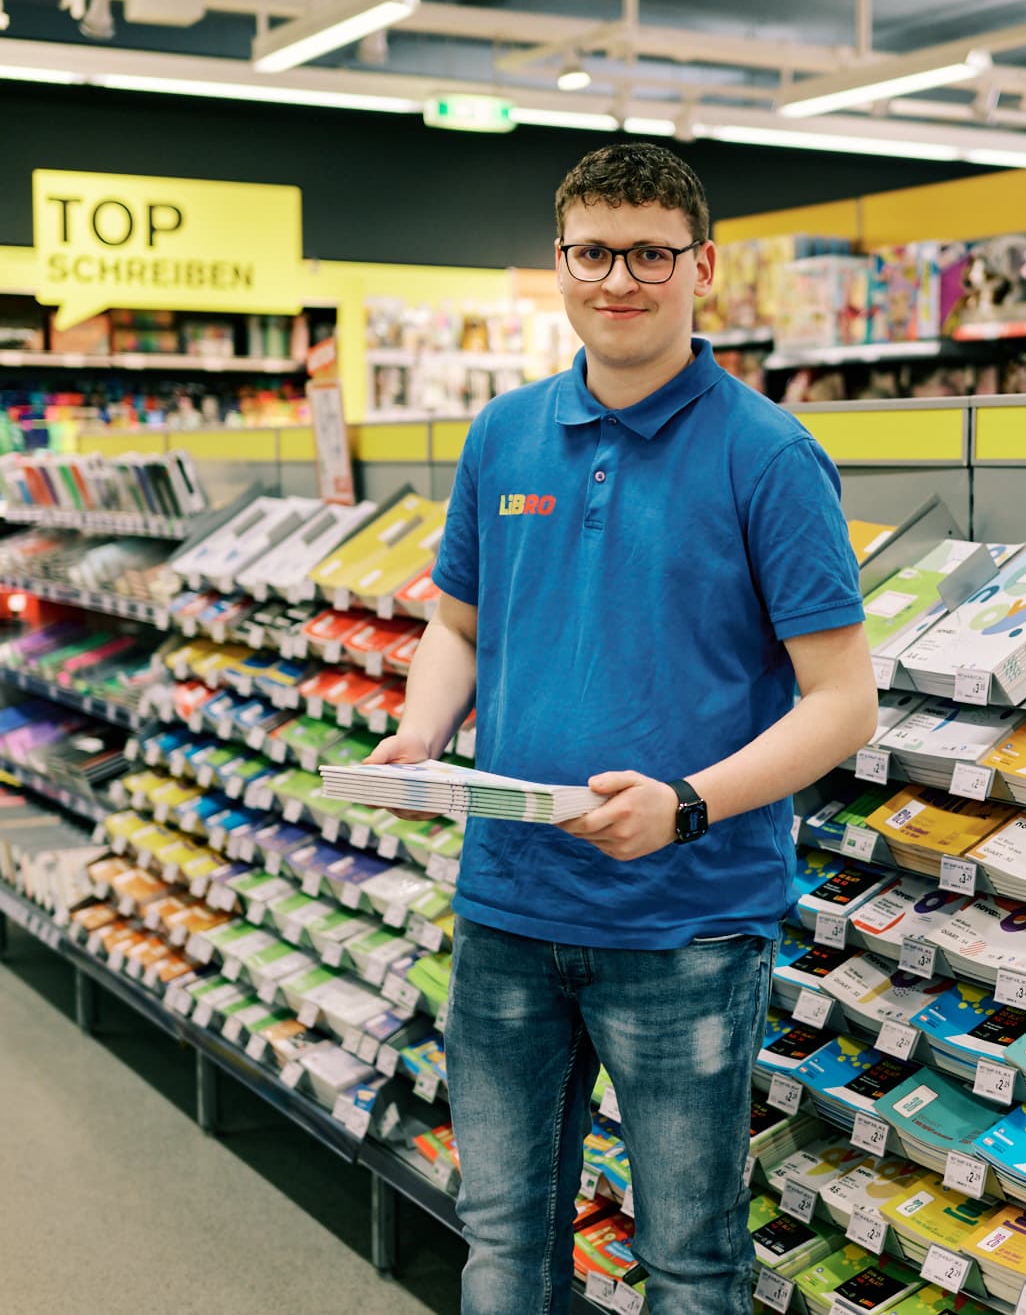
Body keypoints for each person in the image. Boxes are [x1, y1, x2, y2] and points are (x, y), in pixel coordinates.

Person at [366, 143, 877, 1313]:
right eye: (593, 252)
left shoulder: (769, 455)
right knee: (500, 1245)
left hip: (686, 929)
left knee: (689, 1262)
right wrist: (420, 730)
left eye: (650, 253)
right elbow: (458, 624)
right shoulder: (502, 434)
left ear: (702, 266)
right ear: (558, 262)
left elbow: (845, 703)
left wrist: (686, 803)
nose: (619, 279)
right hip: (505, 908)